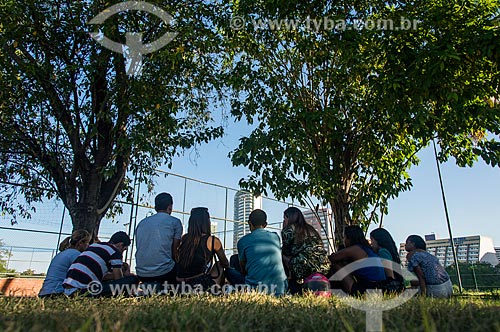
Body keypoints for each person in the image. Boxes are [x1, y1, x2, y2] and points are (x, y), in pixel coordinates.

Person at [63, 231, 139, 296]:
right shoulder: (115, 252)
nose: (122, 252)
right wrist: (126, 274)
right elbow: (118, 280)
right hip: (83, 290)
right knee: (132, 279)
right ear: (120, 244)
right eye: (124, 249)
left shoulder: (94, 246)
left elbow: (104, 277)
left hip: (68, 291)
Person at [176, 207, 230, 290]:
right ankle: (218, 292)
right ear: (207, 222)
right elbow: (225, 263)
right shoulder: (212, 240)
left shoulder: (185, 238)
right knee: (219, 264)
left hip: (179, 284)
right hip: (199, 284)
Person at [135, 192, 183, 285]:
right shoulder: (175, 222)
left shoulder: (142, 223)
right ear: (170, 207)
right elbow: (175, 250)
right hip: (164, 272)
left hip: (141, 273)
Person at [237, 209, 287, 296]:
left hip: (255, 288)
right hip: (280, 288)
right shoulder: (275, 237)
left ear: (249, 223)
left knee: (233, 264)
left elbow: (243, 267)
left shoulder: (243, 241)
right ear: (265, 224)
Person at [281, 207, 330, 294]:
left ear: (288, 217)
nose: (283, 221)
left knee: (280, 254)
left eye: (284, 218)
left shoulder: (288, 230)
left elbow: (286, 252)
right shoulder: (310, 229)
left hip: (304, 266)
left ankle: (286, 284)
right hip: (323, 265)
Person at [328, 225, 386, 296]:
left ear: (349, 238)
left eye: (344, 237)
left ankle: (330, 290)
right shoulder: (367, 249)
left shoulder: (355, 249)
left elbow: (332, 258)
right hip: (380, 288)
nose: (343, 240)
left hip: (367, 289)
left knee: (336, 265)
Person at [38, 230, 91, 297]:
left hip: (45, 292)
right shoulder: (76, 254)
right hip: (58, 292)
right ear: (80, 243)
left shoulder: (62, 253)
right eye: (87, 242)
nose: (88, 245)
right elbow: (86, 274)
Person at [370, 228, 405, 293]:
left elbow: (390, 274)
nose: (371, 243)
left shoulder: (382, 252)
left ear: (378, 240)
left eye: (372, 240)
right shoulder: (388, 251)